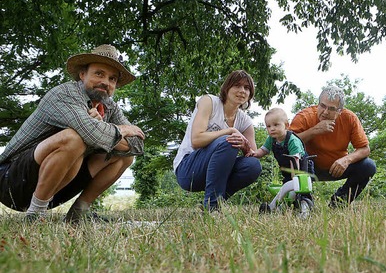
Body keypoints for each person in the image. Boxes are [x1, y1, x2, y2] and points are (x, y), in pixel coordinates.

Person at [0, 44, 145, 223]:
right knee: (74, 138)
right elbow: (90, 133)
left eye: (112, 78)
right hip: (11, 183)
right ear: (82, 74)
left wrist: (101, 128)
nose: (106, 82)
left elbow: (138, 145)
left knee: (125, 157)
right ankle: (35, 216)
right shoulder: (63, 94)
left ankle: (78, 213)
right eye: (99, 73)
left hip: (59, 186)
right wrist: (120, 130)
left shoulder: (110, 107)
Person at [173, 70, 262, 212]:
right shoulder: (210, 102)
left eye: (247, 88)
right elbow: (196, 140)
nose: (242, 91)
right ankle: (213, 208)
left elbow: (252, 154)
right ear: (227, 88)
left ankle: (214, 201)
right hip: (188, 170)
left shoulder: (245, 121)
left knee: (253, 166)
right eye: (237, 86)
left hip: (218, 172)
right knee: (228, 141)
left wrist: (245, 147)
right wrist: (229, 131)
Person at [289, 85, 376, 207]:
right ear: (318, 104)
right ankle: (304, 202)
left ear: (340, 111)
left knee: (368, 166)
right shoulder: (304, 116)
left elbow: (365, 149)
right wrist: (314, 130)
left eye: (331, 109)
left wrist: (346, 160)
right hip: (310, 167)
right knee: (296, 157)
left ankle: (339, 202)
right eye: (322, 106)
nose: (325, 112)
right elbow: (288, 142)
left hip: (337, 167)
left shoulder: (349, 118)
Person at [248, 107, 313, 215]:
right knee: (286, 189)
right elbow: (264, 150)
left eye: (276, 125)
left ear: (286, 125)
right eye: (268, 126)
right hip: (287, 170)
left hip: (300, 168)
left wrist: (294, 178)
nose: (272, 129)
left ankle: (305, 206)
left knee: (302, 189)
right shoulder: (271, 139)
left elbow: (295, 160)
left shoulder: (292, 141)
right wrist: (255, 154)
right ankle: (282, 207)